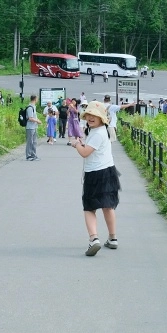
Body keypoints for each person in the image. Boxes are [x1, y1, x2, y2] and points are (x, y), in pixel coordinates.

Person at [69, 101, 121, 256]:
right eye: (89, 114)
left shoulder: (97, 133)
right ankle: (112, 238)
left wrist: (76, 144)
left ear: (101, 118)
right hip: (109, 171)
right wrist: (83, 143)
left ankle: (94, 239)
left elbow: (85, 153)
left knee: (90, 207)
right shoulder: (100, 130)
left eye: (95, 115)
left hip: (95, 173)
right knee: (108, 205)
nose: (91, 117)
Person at [24, 96, 40, 160]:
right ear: (35, 99)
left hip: (34, 126)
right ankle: (28, 155)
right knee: (30, 141)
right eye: (37, 99)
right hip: (30, 127)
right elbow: (30, 118)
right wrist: (37, 121)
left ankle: (33, 155)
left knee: (34, 142)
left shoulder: (34, 107)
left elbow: (34, 117)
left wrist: (37, 121)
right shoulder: (30, 107)